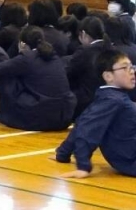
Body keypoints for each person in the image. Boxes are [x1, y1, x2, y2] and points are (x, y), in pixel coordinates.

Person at [54, 49, 136, 178]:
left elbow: (81, 122)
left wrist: (63, 153)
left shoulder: (111, 97)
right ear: (108, 76)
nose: (131, 71)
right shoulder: (112, 100)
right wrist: (83, 166)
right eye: (125, 68)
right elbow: (87, 129)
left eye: (132, 67)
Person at [0, 27, 75, 130]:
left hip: (39, 117)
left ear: (22, 44)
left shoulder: (27, 57)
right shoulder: (53, 56)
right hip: (63, 117)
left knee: (2, 75)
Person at [67, 16, 113, 119]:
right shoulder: (112, 49)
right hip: (108, 100)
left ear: (83, 34)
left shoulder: (84, 52)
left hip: (86, 102)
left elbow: (68, 74)